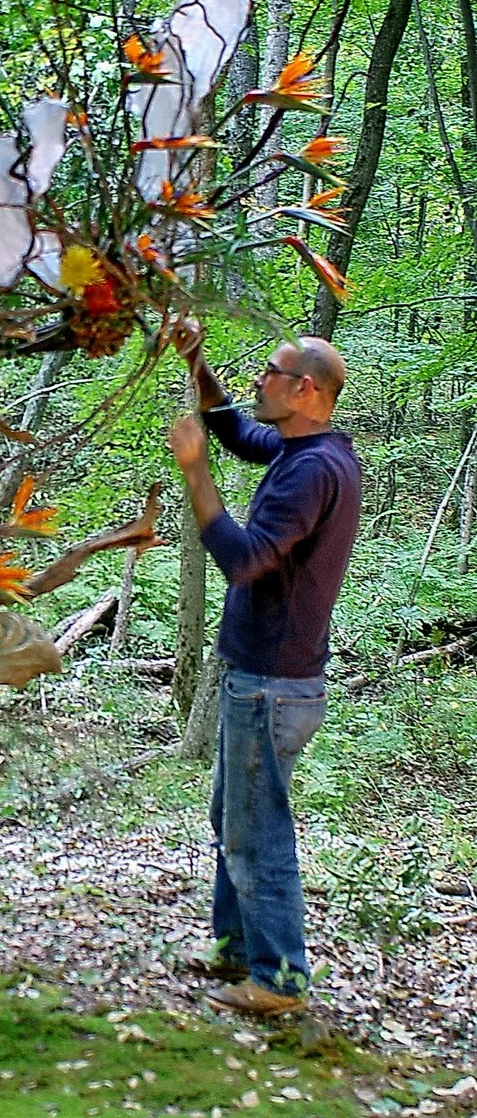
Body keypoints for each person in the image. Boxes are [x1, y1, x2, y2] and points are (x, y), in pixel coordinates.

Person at [168, 321, 361, 1017]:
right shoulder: (310, 447)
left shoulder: (312, 473)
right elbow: (239, 434)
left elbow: (244, 562)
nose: (259, 380)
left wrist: (194, 470)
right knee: (234, 814)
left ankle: (279, 981)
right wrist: (197, 360)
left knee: (259, 834)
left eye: (270, 372)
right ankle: (236, 948)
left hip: (274, 686)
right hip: (273, 679)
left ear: (304, 388)